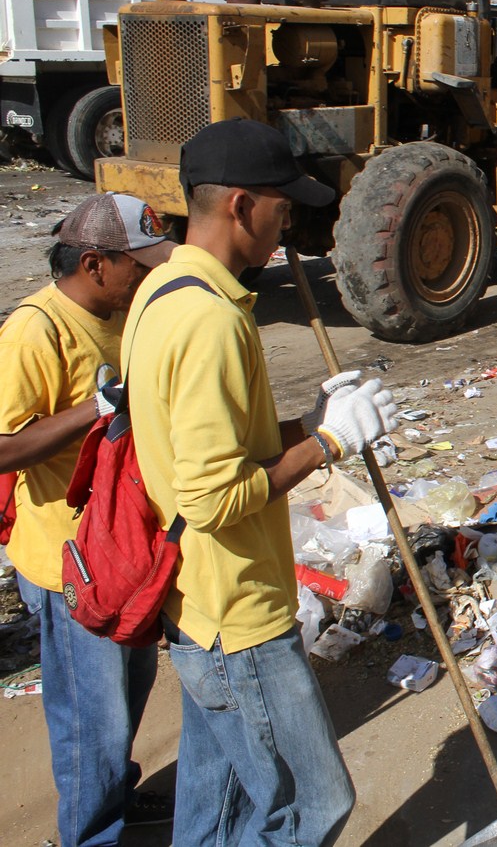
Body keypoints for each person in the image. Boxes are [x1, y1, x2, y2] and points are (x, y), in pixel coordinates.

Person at [125, 118, 396, 845]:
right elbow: (214, 499)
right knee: (310, 803)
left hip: (195, 607)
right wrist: (331, 443)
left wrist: (308, 423)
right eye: (284, 205)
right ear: (242, 206)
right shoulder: (209, 321)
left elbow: (219, 447)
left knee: (216, 803)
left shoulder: (161, 292)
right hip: (236, 611)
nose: (290, 221)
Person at [0, 194, 175, 846]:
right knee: (89, 716)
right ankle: (88, 833)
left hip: (119, 548)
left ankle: (114, 796)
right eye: (139, 264)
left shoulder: (118, 312)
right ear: (95, 262)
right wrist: (93, 411)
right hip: (66, 560)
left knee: (128, 692)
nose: (147, 276)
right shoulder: (35, 330)